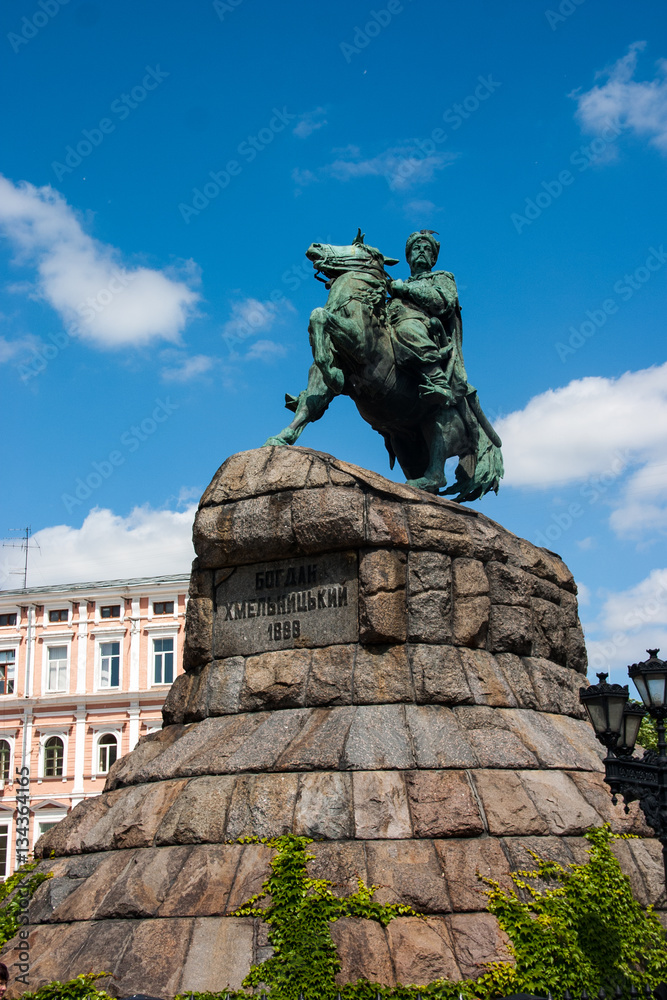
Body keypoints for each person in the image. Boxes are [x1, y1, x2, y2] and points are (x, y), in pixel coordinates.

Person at [388, 229, 470, 405]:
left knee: (407, 328)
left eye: (427, 249)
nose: (422, 252)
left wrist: (406, 290)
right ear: (409, 257)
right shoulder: (398, 286)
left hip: (429, 332)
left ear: (433, 259)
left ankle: (439, 381)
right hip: (396, 329)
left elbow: (442, 302)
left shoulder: (441, 277)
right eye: (417, 248)